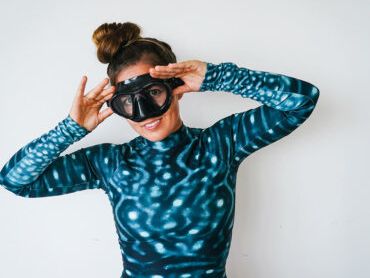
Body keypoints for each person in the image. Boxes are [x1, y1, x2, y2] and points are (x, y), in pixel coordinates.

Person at [0, 21, 320, 278]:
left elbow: (303, 101)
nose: (146, 112)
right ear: (118, 105)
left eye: (153, 92)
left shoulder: (221, 143)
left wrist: (219, 77)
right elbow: (16, 181)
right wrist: (71, 128)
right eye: (129, 102)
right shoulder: (110, 162)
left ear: (176, 87)